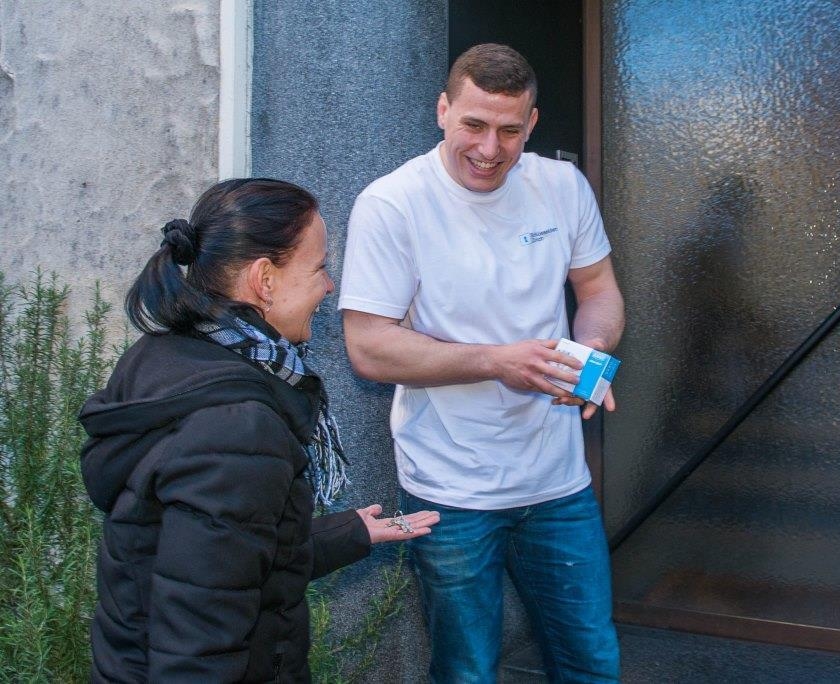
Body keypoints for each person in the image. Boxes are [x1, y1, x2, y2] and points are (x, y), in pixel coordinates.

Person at [340, 44, 625, 682]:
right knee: (466, 670)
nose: (490, 149)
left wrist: (590, 358)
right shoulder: (393, 203)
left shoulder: (561, 187)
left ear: (532, 122)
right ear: (442, 110)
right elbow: (368, 345)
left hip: (558, 481)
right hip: (452, 486)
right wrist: (496, 362)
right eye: (473, 124)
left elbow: (599, 291)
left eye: (509, 130)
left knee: (591, 660)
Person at [78, 178, 439, 683]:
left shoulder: (169, 356)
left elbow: (214, 557)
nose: (329, 286)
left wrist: (347, 535)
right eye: (319, 267)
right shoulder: (238, 427)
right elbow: (199, 646)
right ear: (264, 279)